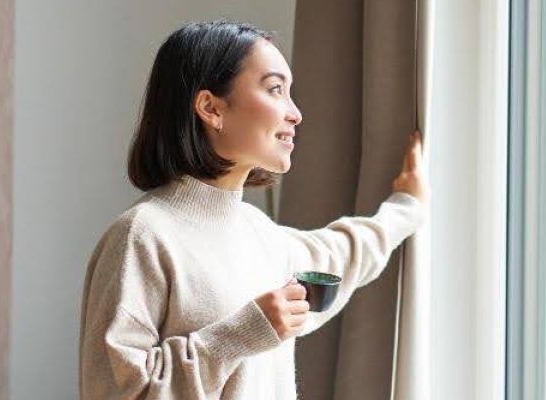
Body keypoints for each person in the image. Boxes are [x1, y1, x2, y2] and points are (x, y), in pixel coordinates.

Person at [78, 20, 427, 399]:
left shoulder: (259, 234)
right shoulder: (141, 236)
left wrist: (406, 207)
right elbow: (116, 392)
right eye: (275, 89)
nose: (295, 113)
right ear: (211, 108)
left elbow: (337, 254)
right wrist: (245, 332)